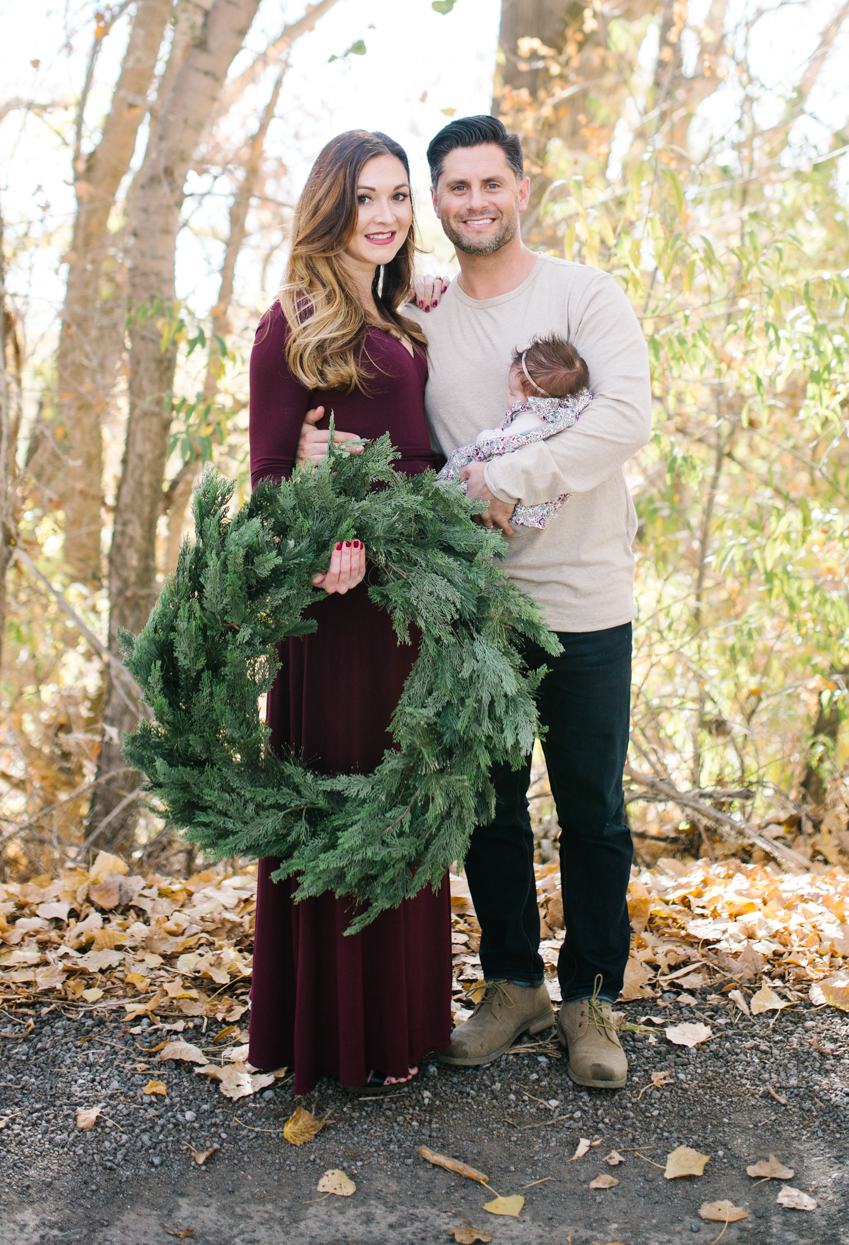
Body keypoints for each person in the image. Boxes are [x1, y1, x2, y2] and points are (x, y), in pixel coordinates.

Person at [297, 113, 651, 1091]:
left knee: (592, 811)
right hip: (473, 612)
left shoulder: (585, 294)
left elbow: (626, 416)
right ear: (438, 203)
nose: (474, 203)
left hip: (584, 603)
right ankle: (512, 984)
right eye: (453, 188)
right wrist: (311, 460)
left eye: (490, 184)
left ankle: (591, 1002)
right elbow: (363, 387)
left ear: (521, 188)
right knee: (488, 809)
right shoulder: (422, 315)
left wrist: (514, 479)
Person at [245, 129, 453, 1095]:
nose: (386, 215)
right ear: (332, 205)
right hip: (336, 615)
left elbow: (412, 448)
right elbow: (272, 477)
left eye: (399, 197)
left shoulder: (404, 320)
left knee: (403, 803)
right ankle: (330, 1038)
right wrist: (328, 533)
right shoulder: (292, 321)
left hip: (408, 606)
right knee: (341, 805)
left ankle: (401, 1026)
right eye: (367, 197)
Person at [437, 336, 593, 530]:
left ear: (536, 399)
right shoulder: (565, 409)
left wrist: (490, 434)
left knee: (457, 474)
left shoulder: (532, 418)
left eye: (512, 393)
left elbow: (496, 444)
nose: (507, 395)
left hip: (507, 491)